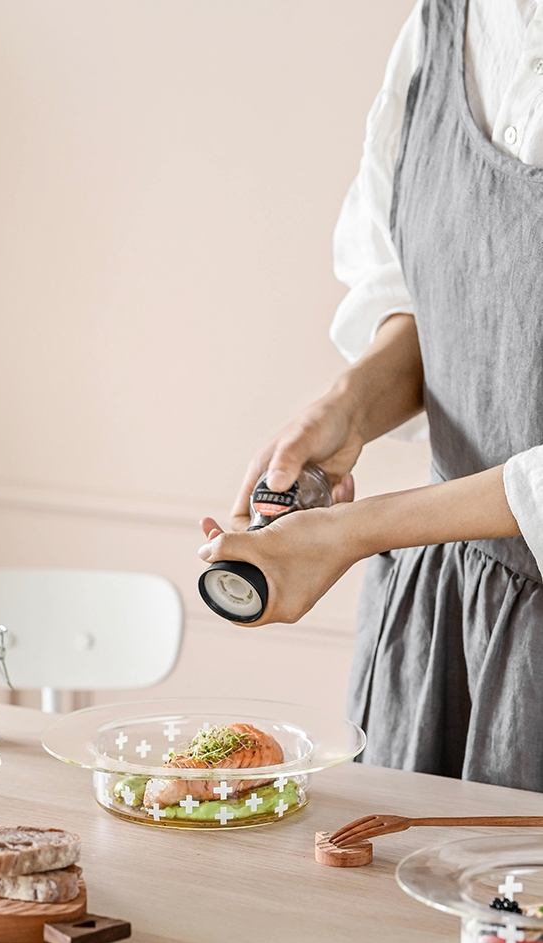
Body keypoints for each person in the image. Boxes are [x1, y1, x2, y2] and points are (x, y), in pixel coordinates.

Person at [198, 0, 543, 792]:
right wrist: (349, 405)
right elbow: (442, 296)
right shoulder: (445, 23)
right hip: (449, 626)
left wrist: (353, 533)